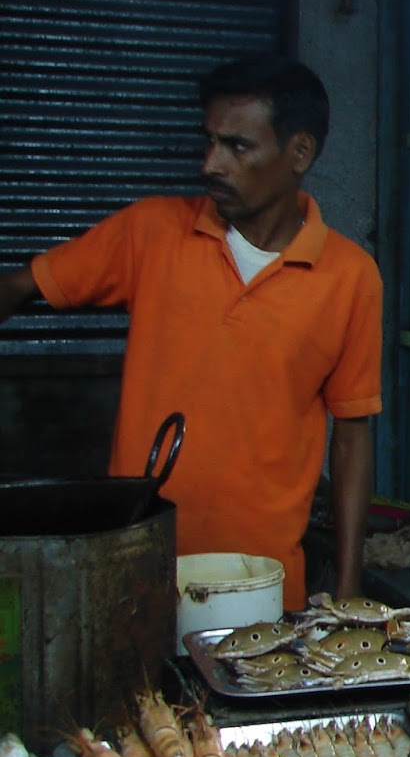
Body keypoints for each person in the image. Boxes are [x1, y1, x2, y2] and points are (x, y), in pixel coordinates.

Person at [0, 54, 383, 611]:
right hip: (134, 567)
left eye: (237, 146)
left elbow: (352, 437)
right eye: (209, 141)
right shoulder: (151, 233)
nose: (211, 163)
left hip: (261, 585)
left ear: (299, 152)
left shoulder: (350, 277)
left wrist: (348, 588)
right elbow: (18, 287)